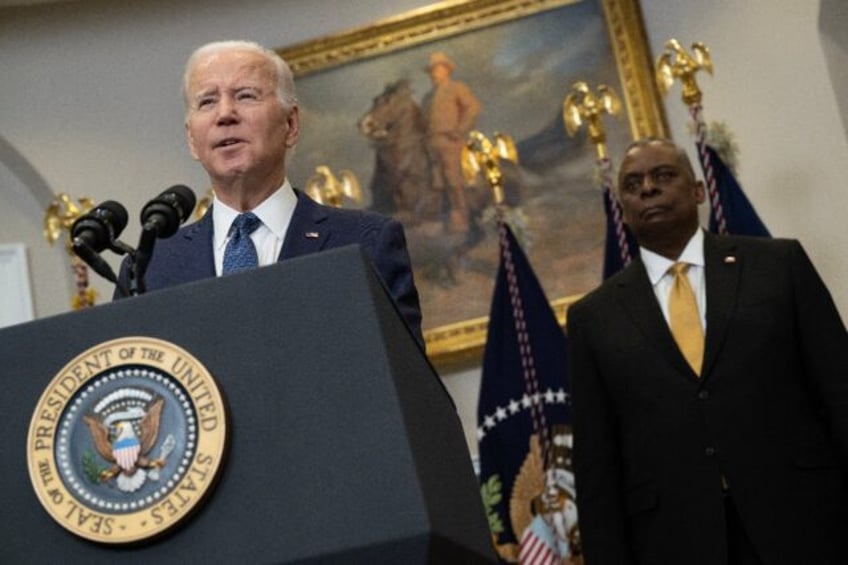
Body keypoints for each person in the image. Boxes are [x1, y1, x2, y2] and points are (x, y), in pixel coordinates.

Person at [566, 138, 848, 564]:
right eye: (633, 184)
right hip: (677, 542)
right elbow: (596, 468)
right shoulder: (593, 317)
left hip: (804, 519)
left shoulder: (777, 265)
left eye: (663, 176)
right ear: (621, 208)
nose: (648, 189)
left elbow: (839, 389)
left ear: (698, 190)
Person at [114, 40, 423, 345]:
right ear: (192, 140)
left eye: (245, 96)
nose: (225, 114)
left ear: (290, 124)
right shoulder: (149, 268)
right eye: (207, 101)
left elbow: (402, 381)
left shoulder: (366, 241)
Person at [420, 51, 481, 234]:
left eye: (437, 69)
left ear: (447, 70)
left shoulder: (456, 88)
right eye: (432, 70)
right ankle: (444, 220)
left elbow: (473, 107)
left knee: (453, 179)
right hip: (432, 144)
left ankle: (462, 217)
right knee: (437, 182)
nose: (434, 73)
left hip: (450, 141)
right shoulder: (427, 98)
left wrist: (460, 130)